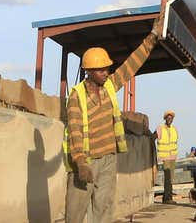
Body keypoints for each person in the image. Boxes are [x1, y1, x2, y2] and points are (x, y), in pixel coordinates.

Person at [64, 30, 158, 223]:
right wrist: (80, 161)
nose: (106, 72)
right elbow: (74, 131)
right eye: (101, 70)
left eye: (107, 68)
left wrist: (152, 37)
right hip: (86, 161)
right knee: (75, 212)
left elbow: (131, 65)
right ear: (89, 72)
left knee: (104, 211)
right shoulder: (77, 96)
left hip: (108, 158)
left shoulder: (109, 85)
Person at [155, 110, 179, 204]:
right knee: (168, 178)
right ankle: (168, 198)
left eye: (171, 118)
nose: (170, 120)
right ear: (165, 119)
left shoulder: (174, 129)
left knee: (171, 178)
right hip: (164, 158)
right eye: (168, 118)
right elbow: (153, 137)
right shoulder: (160, 128)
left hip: (172, 157)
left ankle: (166, 198)